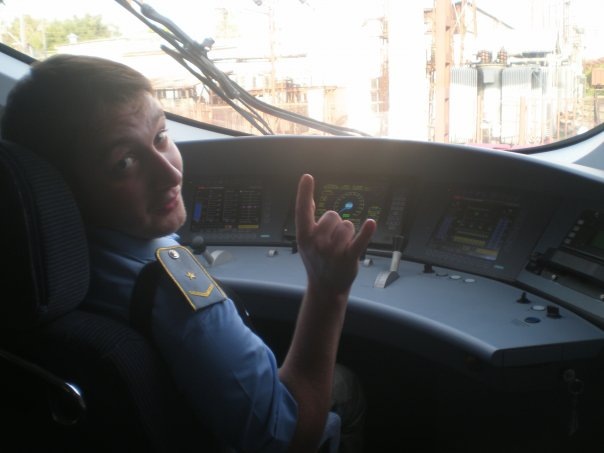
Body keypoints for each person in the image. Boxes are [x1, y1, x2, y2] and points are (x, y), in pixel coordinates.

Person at [1, 54, 376, 452]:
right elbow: (288, 437)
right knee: (345, 386)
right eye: (124, 162)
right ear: (63, 187)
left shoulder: (37, 271)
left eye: (161, 137)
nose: (172, 173)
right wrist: (328, 290)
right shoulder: (178, 294)